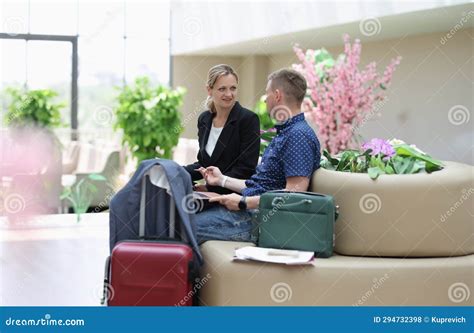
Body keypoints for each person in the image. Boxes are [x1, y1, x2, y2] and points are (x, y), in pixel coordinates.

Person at [192, 68, 321, 243]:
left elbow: (294, 194)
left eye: (267, 94)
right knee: (177, 211)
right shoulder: (287, 132)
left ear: (277, 95)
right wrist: (221, 180)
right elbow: (262, 185)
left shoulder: (298, 135)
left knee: (180, 225)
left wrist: (243, 202)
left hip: (259, 219)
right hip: (250, 211)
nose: (266, 99)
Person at [184, 64, 260, 194]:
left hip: (233, 198)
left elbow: (246, 169)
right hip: (210, 195)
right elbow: (203, 165)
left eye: (233, 88)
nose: (229, 94)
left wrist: (210, 188)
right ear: (209, 90)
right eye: (222, 89)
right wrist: (176, 172)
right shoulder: (204, 119)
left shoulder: (248, 119)